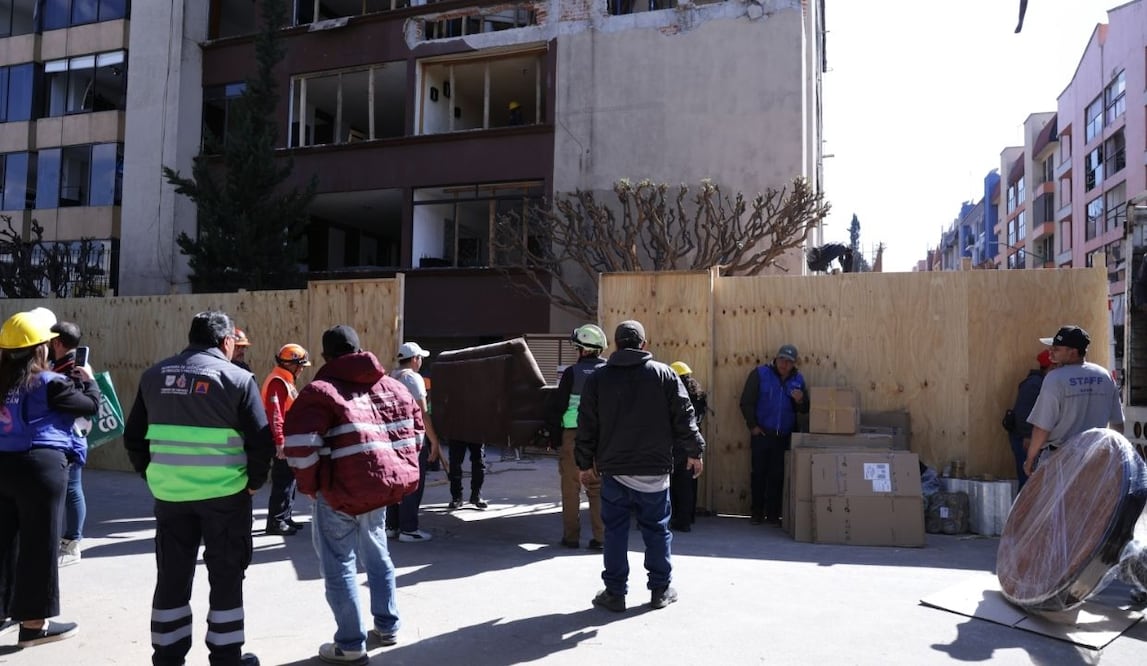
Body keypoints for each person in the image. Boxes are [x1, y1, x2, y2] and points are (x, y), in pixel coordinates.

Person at [123, 311, 272, 666]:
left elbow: (133, 439)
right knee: (226, 575)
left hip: (171, 497)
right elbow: (262, 441)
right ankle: (226, 656)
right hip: (225, 496)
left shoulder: (153, 375)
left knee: (172, 575)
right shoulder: (237, 378)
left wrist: (154, 476)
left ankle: (168, 656)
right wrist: (253, 484)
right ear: (225, 342)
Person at [283, 325, 422, 665]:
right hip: (379, 493)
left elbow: (300, 448)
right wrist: (392, 472)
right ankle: (388, 627)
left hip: (339, 494)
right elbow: (415, 435)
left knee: (339, 565)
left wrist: (312, 487)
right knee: (378, 554)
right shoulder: (393, 385)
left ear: (328, 356)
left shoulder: (320, 390)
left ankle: (350, 643)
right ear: (360, 350)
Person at [575, 320, 705, 612]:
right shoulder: (665, 375)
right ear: (644, 345)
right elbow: (685, 416)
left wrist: (584, 463)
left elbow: (587, 425)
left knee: (615, 532)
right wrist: (695, 452)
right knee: (657, 530)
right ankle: (660, 590)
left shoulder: (598, 379)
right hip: (654, 470)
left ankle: (615, 592)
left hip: (614, 470)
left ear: (617, 345)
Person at [0, 309, 99, 647]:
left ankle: (3, 614)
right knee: (39, 545)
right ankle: (33, 625)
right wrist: (88, 379)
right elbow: (89, 406)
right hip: (40, 467)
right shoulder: (49, 382)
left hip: (2, 464)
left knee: (4, 544)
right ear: (40, 348)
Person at [1023, 325, 1124, 477]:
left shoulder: (1055, 379)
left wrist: (1030, 459)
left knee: (1057, 501)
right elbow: (1117, 424)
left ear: (1073, 352)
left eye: (1056, 349)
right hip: (1094, 459)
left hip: (1060, 460)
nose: (1051, 352)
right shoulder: (1105, 376)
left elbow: (1042, 427)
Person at [546, 325, 608, 550]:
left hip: (573, 435)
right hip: (601, 438)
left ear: (582, 349)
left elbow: (558, 407)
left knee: (571, 488)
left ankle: (571, 538)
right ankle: (601, 539)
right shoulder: (610, 371)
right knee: (597, 488)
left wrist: (554, 438)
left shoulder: (572, 373)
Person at [738, 343, 808, 525]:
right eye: (782, 359)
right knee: (759, 474)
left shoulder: (798, 379)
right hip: (762, 434)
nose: (784, 364)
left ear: (794, 364)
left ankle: (773, 514)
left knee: (778, 476)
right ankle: (757, 512)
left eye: (789, 362)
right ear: (776, 358)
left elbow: (805, 409)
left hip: (784, 436)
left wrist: (801, 401)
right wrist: (752, 426)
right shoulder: (760, 374)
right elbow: (746, 402)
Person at [385, 342, 442, 543]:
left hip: (392, 439)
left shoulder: (390, 377)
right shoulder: (413, 379)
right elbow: (423, 413)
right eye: (421, 358)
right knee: (413, 484)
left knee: (395, 483)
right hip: (412, 440)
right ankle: (409, 529)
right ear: (415, 359)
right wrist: (434, 441)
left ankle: (391, 526)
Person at [49, 320, 89, 567]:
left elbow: (80, 402)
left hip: (72, 434)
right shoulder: (62, 364)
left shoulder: (74, 368)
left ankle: (73, 542)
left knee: (73, 487)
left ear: (57, 342)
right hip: (66, 432)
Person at [262, 343, 312, 536]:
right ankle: (276, 521)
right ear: (291, 364)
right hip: (281, 440)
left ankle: (284, 516)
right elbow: (276, 415)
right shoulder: (278, 382)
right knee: (283, 479)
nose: (301, 370)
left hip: (287, 439)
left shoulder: (285, 380)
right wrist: (280, 442)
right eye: (300, 365)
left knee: (288, 479)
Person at [1007, 349, 1054, 491]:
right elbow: (1023, 414)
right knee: (1029, 484)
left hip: (1032, 439)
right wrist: (1028, 436)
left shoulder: (1043, 383)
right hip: (1025, 439)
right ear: (1051, 367)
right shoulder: (1034, 384)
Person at [669, 361, 708, 532]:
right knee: (687, 485)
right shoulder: (698, 397)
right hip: (692, 444)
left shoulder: (673, 395)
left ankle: (673, 517)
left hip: (674, 445)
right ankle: (687, 518)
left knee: (670, 484)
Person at [447, 438, 488, 510]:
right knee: (455, 462)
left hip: (477, 431)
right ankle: (456, 497)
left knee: (479, 461)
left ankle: (476, 495)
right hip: (457, 431)